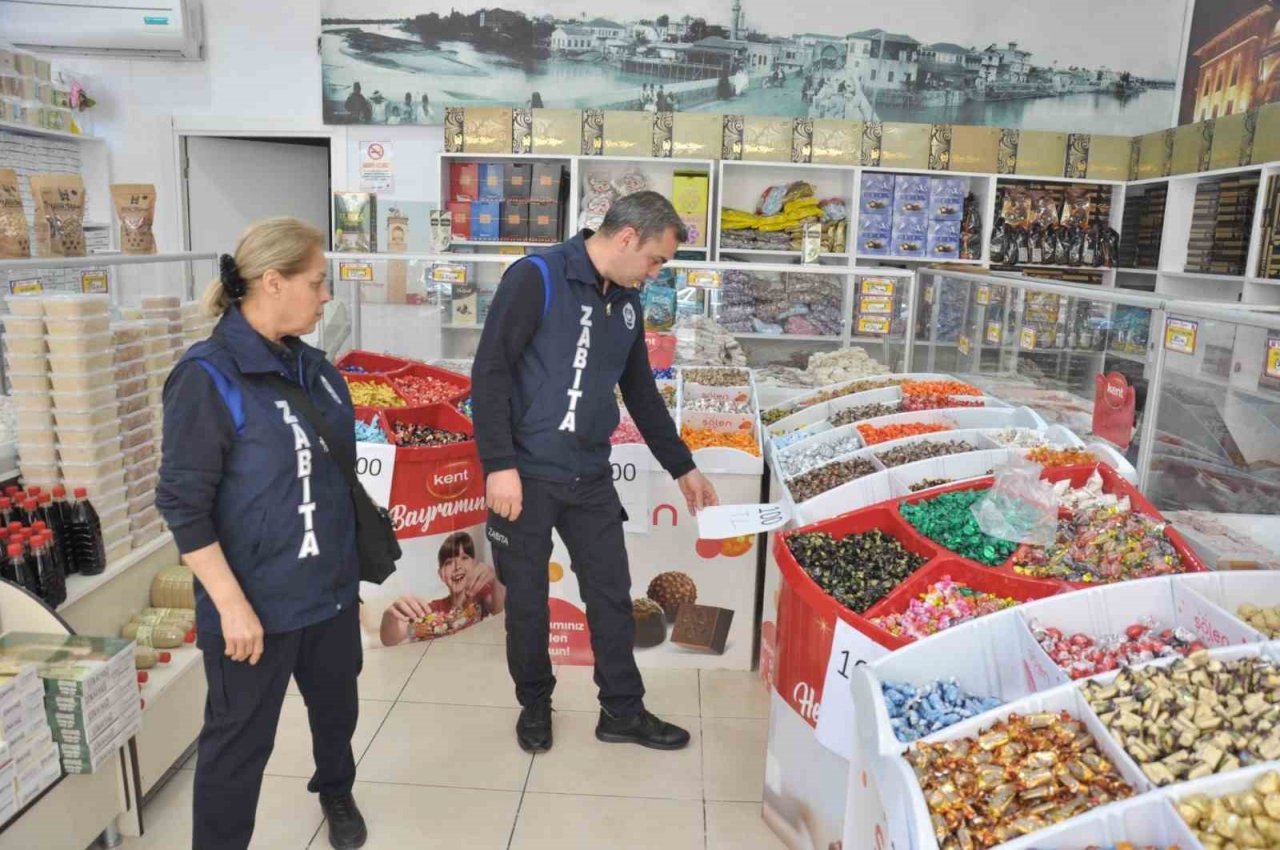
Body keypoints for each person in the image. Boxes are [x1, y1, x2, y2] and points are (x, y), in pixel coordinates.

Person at [472, 191, 719, 755]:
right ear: (627, 238)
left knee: (611, 596)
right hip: (525, 477)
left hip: (590, 476)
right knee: (528, 603)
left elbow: (640, 393)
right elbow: (489, 374)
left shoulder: (629, 303)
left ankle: (623, 712)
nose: (657, 273)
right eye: (655, 260)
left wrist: (682, 466)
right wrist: (499, 466)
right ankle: (535, 705)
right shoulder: (536, 278)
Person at [156, 217, 368, 850]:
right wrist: (230, 605)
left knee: (337, 712)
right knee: (237, 744)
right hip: (254, 609)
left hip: (328, 595)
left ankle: (335, 787)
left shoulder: (318, 371)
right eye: (316, 281)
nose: (326, 295)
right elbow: (183, 504)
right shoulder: (208, 377)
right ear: (272, 282)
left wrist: (351, 578)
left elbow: (333, 483)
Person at [379, 532, 506, 645]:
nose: (457, 566)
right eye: (449, 562)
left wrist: (496, 580)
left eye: (464, 558)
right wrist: (389, 617)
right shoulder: (432, 610)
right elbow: (391, 639)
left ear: (474, 564)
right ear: (441, 574)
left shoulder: (481, 596)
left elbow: (498, 610)